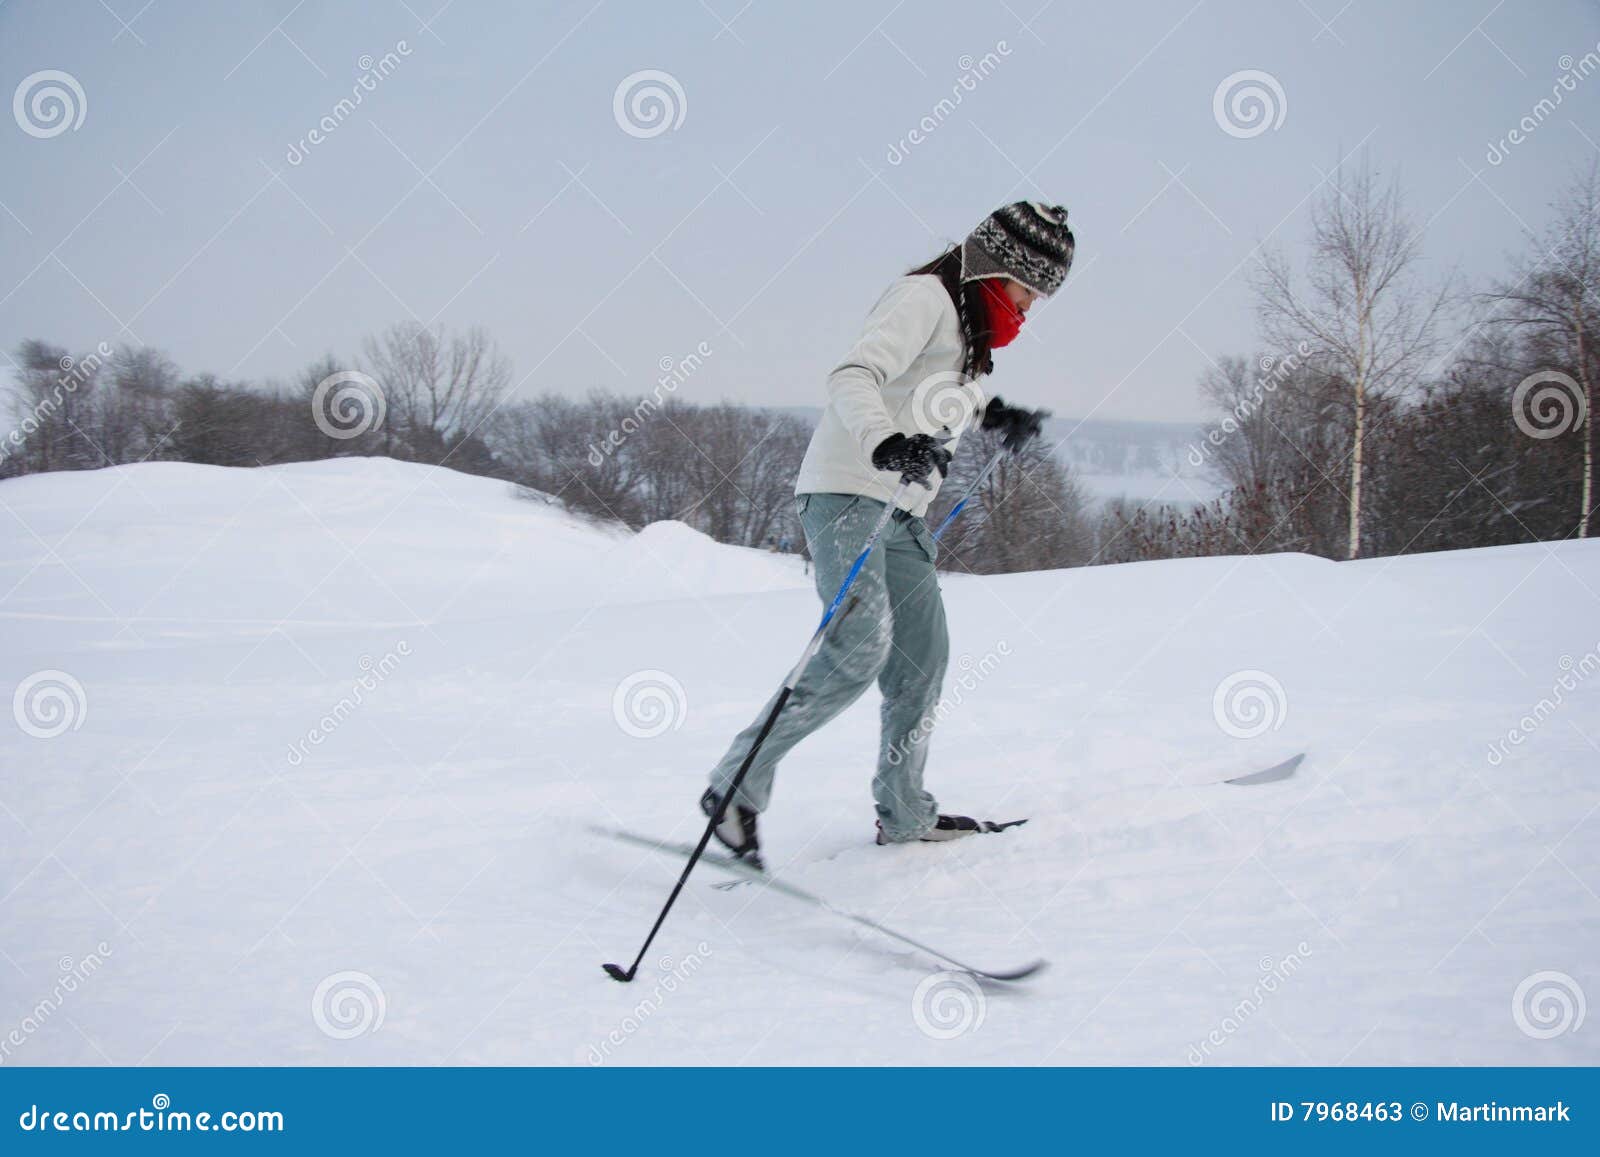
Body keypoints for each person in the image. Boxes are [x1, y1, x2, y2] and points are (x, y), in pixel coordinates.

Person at [701, 202, 1073, 865]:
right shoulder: (923, 298)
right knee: (857, 649)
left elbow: (935, 389)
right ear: (1000, 267)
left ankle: (905, 813)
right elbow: (854, 375)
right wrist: (887, 441)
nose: (1031, 305)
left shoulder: (969, 331)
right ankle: (733, 788)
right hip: (848, 493)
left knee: (922, 661)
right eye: (1029, 288)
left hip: (901, 513)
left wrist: (996, 411)